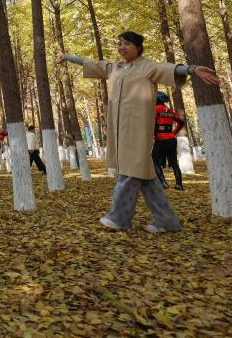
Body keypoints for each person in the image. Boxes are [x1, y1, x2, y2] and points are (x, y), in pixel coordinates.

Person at [61, 31, 221, 233]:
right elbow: (92, 63)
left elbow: (169, 68)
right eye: (119, 43)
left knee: (129, 173)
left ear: (138, 47)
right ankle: (167, 221)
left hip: (138, 132)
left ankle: (119, 218)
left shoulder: (149, 67)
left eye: (126, 44)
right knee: (146, 177)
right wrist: (69, 58)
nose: (122, 47)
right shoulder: (115, 68)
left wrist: (193, 69)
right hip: (119, 132)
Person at [152, 92, 185, 190]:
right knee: (174, 163)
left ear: (158, 100)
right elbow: (181, 122)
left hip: (161, 140)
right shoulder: (170, 111)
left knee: (153, 161)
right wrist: (173, 133)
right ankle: (179, 185)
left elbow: (151, 123)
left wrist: (154, 134)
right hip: (171, 140)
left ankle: (163, 183)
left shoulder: (155, 109)